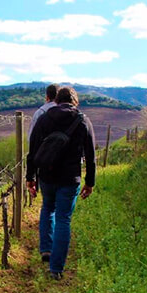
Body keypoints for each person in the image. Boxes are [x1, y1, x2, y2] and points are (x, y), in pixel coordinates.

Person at [26, 86, 96, 279]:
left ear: (55, 100)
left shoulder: (43, 118)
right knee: (64, 219)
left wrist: (30, 177)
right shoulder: (83, 121)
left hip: (46, 175)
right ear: (75, 101)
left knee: (48, 208)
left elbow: (32, 151)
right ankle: (56, 269)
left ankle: (46, 250)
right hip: (70, 178)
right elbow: (90, 156)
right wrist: (90, 182)